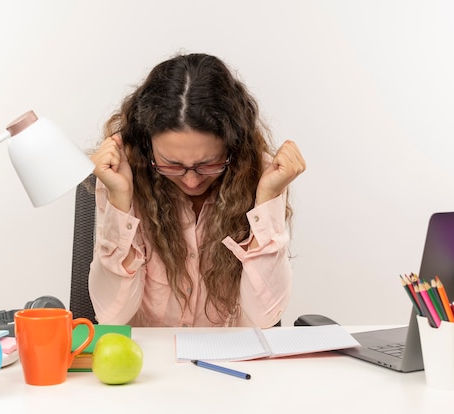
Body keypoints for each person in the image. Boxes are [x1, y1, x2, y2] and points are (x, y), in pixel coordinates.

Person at [88, 53, 306, 328]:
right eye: (172, 164)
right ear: (146, 145)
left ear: (233, 146)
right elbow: (111, 316)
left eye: (207, 164)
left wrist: (267, 199)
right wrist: (120, 201)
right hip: (148, 363)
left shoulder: (263, 175)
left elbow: (265, 316)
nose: (191, 181)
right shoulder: (122, 175)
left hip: (229, 362)